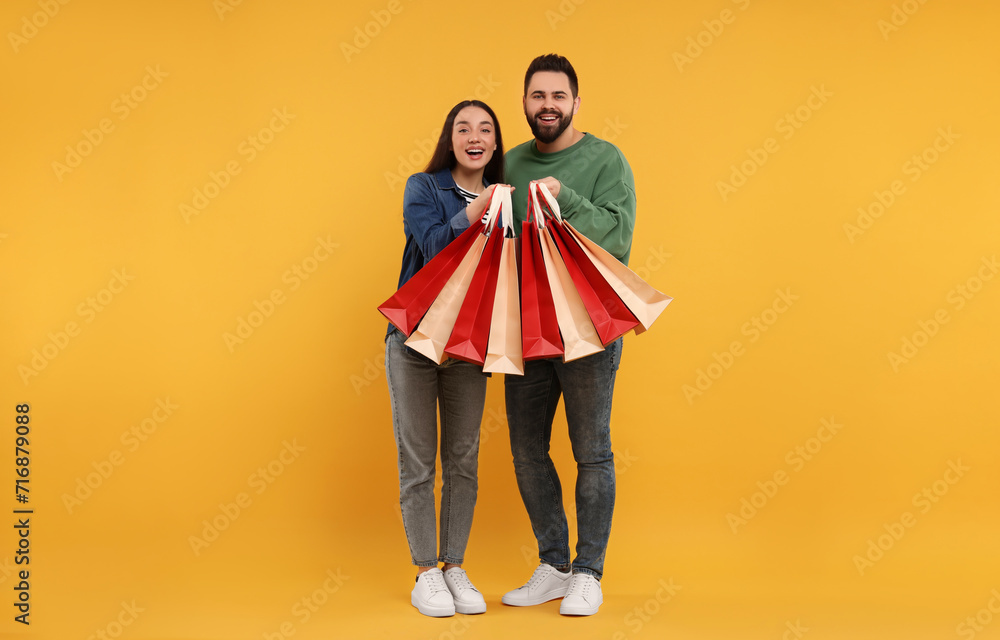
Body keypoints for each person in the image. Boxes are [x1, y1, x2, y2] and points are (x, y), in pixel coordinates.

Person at [501, 54, 636, 617]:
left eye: (558, 96)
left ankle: (588, 572)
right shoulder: (509, 162)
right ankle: (555, 565)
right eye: (537, 96)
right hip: (524, 330)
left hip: (587, 330)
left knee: (592, 452)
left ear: (576, 102)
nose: (547, 106)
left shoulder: (606, 159)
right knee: (527, 451)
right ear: (526, 103)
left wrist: (567, 200)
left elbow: (617, 235)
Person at [385, 100, 507, 617]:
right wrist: (474, 212)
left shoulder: (509, 198)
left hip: (468, 345)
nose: (474, 136)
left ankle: (454, 566)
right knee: (419, 460)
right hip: (414, 341)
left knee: (462, 459)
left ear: (496, 144)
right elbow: (432, 244)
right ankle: (425, 573)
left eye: (485, 129)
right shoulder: (424, 187)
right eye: (463, 128)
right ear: (450, 138)